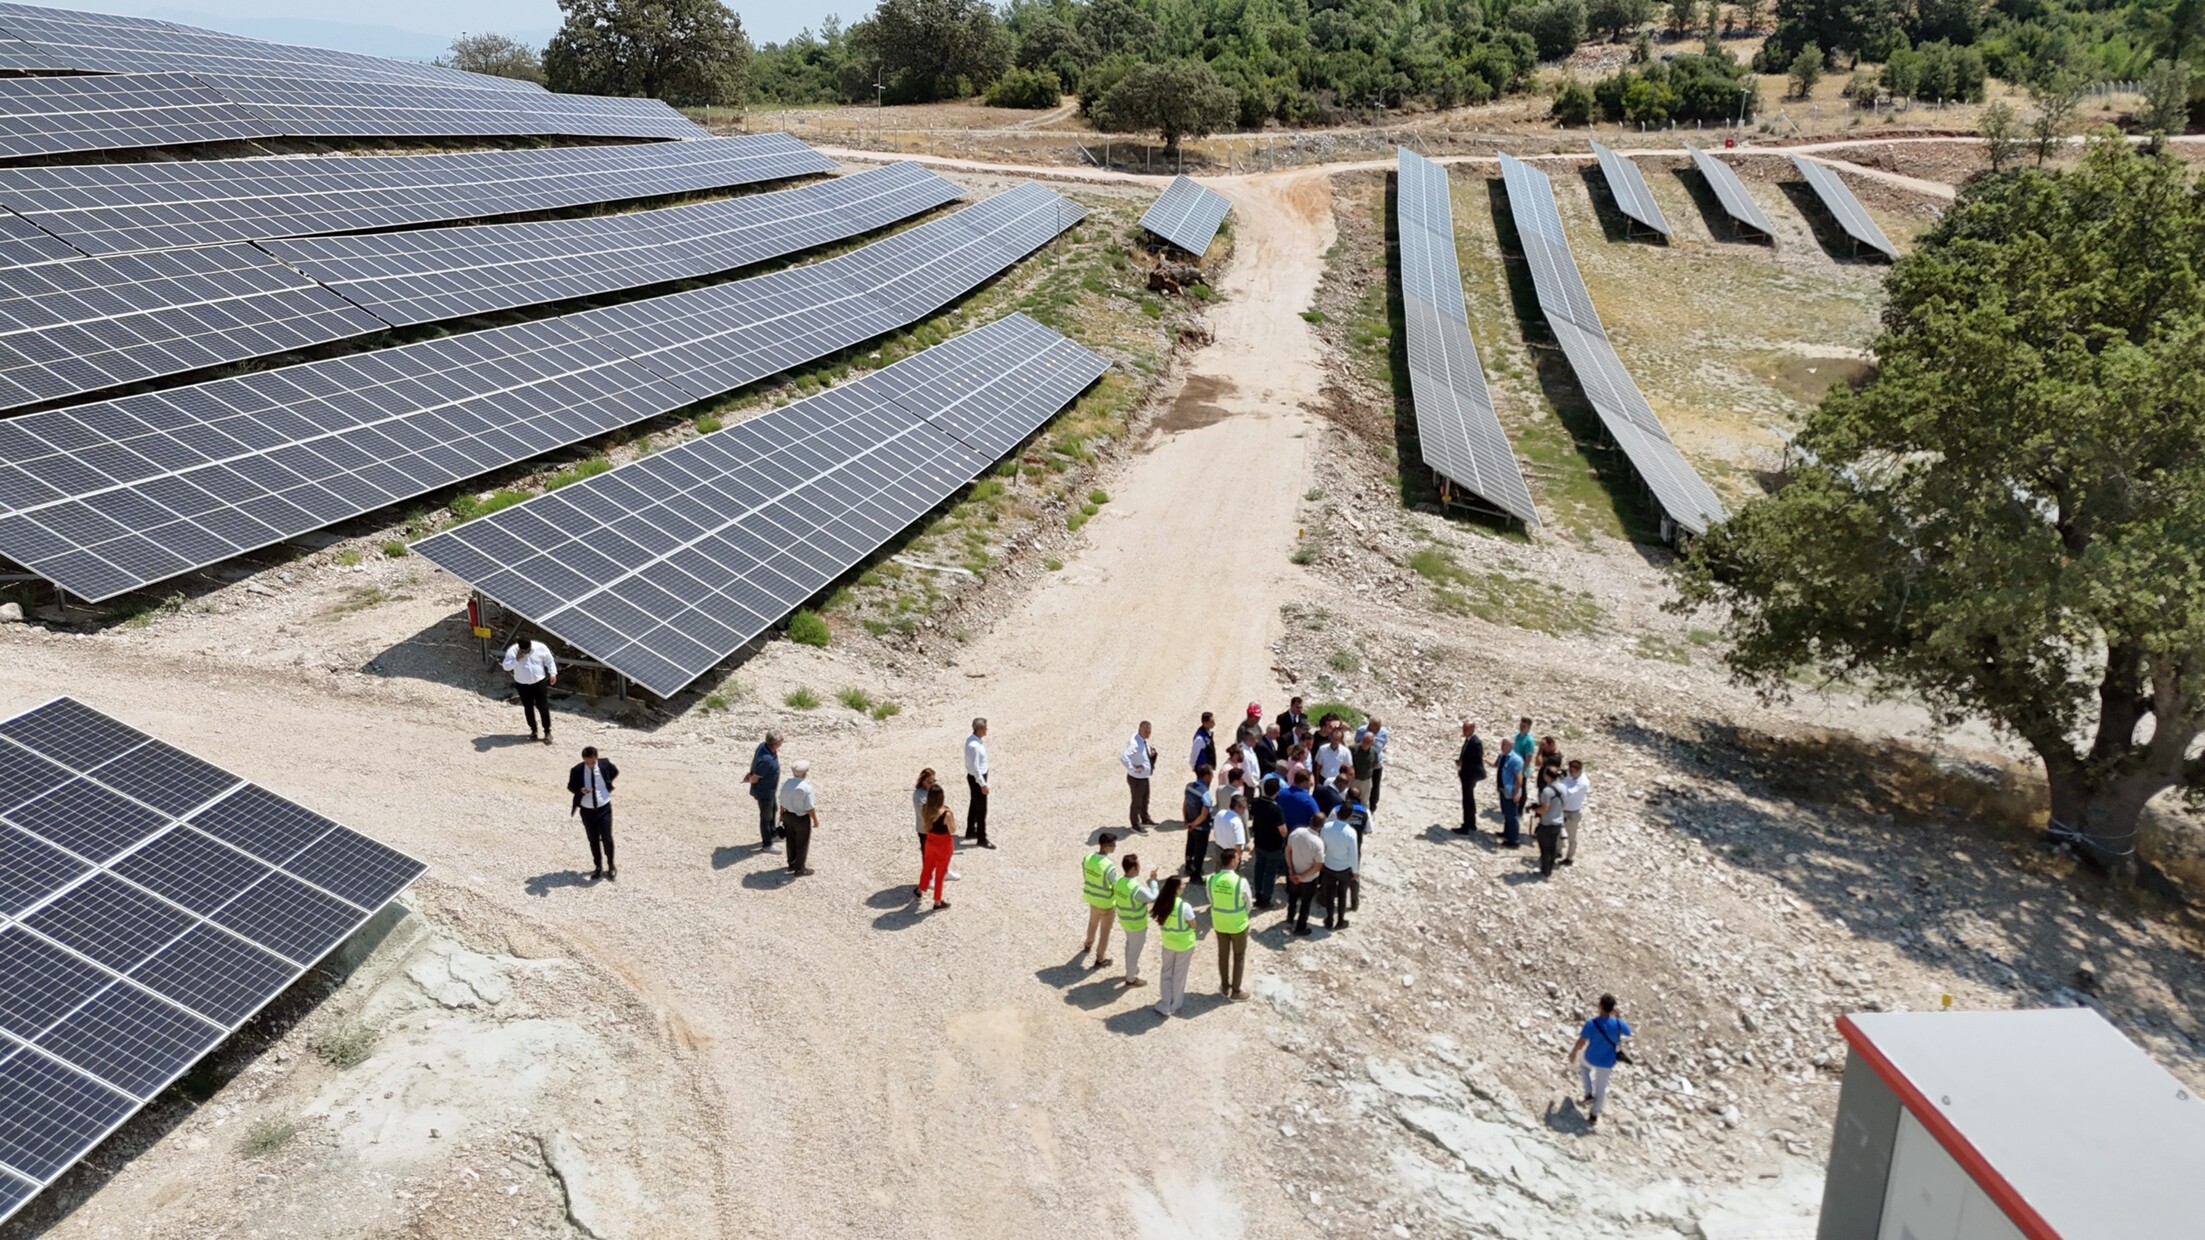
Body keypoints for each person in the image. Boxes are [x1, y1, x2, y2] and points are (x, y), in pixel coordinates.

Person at [1569, 994, 1633, 1127]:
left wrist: (1574, 1052)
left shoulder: (1591, 1024)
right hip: (1607, 1061)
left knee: (1584, 1067)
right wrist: (1618, 1017)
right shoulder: (1617, 1022)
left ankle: (1588, 1093)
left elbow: (1581, 1041)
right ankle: (1594, 1115)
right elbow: (1628, 1032)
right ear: (1612, 1008)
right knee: (1601, 1088)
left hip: (1591, 1057)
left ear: (1600, 1006)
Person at [1207, 847, 1253, 999]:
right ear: (1232, 861)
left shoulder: (1211, 880)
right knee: (1238, 956)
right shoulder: (1241, 882)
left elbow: (1210, 899)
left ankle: (1225, 986)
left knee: (1223, 955)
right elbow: (1248, 903)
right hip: (1238, 924)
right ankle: (1236, 990)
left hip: (1219, 922)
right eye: (1237, 858)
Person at [566, 745, 617, 881]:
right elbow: (570, 786)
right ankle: (598, 867)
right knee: (593, 839)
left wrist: (606, 787)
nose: (590, 765)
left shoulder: (604, 765)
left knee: (607, 838)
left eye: (593, 762)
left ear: (596, 758)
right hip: (587, 810)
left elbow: (614, 772)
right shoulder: (577, 770)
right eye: (587, 762)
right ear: (583, 760)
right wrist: (580, 790)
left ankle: (611, 865)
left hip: (604, 808)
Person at [1151, 877, 1197, 1018]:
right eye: (1181, 885)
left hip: (1168, 943)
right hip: (1184, 944)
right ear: (1176, 888)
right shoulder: (1184, 907)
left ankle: (1165, 1003)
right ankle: (1175, 1004)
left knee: (1166, 973)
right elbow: (1193, 924)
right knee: (1179, 975)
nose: (1183, 887)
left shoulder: (1162, 902)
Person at [1112, 855, 1159, 986]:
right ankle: (1131, 978)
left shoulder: (1119, 882)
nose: (1139, 868)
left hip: (1125, 921)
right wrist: (1153, 881)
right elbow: (1152, 897)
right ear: (1133, 868)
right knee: (1134, 951)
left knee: (1129, 946)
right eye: (1138, 865)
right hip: (1136, 924)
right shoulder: (1135, 888)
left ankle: (1130, 970)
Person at [502, 634, 557, 744]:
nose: (527, 652)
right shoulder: (512, 651)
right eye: (525, 651)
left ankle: (547, 731)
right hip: (522, 684)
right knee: (528, 707)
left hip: (539, 682)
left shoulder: (540, 647)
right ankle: (533, 731)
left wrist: (553, 673)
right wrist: (516, 659)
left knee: (543, 707)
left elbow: (549, 660)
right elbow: (506, 666)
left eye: (529, 650)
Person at [1080, 833, 1122, 965]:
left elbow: (1086, 875)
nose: (1115, 847)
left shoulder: (1087, 859)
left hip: (1092, 897)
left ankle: (1088, 944)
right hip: (1106, 902)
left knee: (1092, 923)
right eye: (1113, 845)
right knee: (1105, 931)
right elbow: (1116, 886)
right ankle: (1100, 958)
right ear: (1106, 846)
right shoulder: (1109, 866)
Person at [1248, 776, 1288, 910]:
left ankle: (1258, 895)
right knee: (1270, 873)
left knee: (1259, 869)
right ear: (1276, 791)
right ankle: (1266, 899)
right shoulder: (1276, 809)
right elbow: (1282, 830)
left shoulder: (1256, 802)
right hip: (1273, 846)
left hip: (1259, 843)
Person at [1318, 804, 1359, 930]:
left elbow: (1321, 845)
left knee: (1329, 895)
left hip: (1329, 865)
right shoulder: (1351, 833)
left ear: (1338, 813)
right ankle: (1340, 920)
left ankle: (1329, 919)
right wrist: (1355, 871)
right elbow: (1353, 854)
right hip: (1344, 869)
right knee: (1342, 895)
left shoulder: (1326, 827)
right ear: (1350, 815)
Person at [1284, 812, 1324, 936]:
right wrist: (1302, 877)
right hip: (1309, 879)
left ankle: (1290, 917)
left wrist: (1291, 870)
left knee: (1292, 897)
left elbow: (1288, 851)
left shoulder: (1297, 832)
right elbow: (1318, 865)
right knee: (1306, 903)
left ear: (1311, 820)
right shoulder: (1318, 843)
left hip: (1294, 873)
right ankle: (1300, 927)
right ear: (1322, 826)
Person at [779, 759, 819, 876]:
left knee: (790, 840)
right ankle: (800, 869)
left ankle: (791, 863)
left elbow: (782, 800)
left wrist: (781, 815)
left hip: (788, 815)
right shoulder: (806, 788)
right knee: (802, 843)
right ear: (805, 773)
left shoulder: (786, 783)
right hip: (801, 819)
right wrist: (815, 820)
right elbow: (810, 808)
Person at [917, 786, 954, 909]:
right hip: (943, 845)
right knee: (940, 873)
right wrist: (951, 814)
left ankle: (920, 889)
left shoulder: (924, 808)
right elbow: (953, 830)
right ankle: (937, 901)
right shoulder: (946, 814)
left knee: (927, 867)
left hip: (930, 842)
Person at [746, 731, 782, 852]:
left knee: (773, 810)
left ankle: (773, 833)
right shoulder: (767, 761)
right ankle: (767, 844)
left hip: (770, 791)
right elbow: (755, 778)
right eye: (781, 740)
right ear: (775, 744)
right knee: (766, 817)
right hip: (764, 793)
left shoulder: (763, 745)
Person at [1121, 722, 1157, 832]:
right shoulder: (1134, 743)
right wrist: (1133, 768)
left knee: (1145, 799)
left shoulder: (1142, 739)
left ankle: (1145, 819)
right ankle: (1135, 824)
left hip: (1144, 777)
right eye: (1146, 732)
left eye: (1149, 732)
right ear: (1140, 729)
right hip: (1137, 779)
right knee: (1137, 802)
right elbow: (1124, 757)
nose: (1148, 734)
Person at [1180, 765, 1215, 879]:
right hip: (1201, 827)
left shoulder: (1189, 787)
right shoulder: (1206, 793)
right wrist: (1194, 824)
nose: (1212, 777)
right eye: (1211, 774)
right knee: (1200, 851)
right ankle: (1196, 875)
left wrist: (1187, 821)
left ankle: (1188, 866)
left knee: (1190, 846)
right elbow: (1204, 814)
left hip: (1191, 824)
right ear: (1206, 776)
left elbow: (1185, 804)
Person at [964, 717, 993, 849]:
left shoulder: (973, 740)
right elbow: (975, 768)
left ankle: (970, 830)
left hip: (975, 777)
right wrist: (983, 784)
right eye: (985, 727)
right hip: (977, 778)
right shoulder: (974, 746)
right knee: (982, 809)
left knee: (974, 803)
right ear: (979, 728)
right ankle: (981, 837)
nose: (986, 730)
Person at [1534, 764, 1565, 877]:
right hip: (1558, 822)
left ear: (1547, 776)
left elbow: (1544, 809)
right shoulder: (1563, 787)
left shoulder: (1547, 791)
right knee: (1552, 848)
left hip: (1547, 823)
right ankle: (1549, 869)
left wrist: (1535, 809)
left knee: (1545, 849)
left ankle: (1545, 870)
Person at [1558, 759, 1591, 866]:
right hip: (1562, 809)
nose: (1570, 773)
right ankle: (1557, 852)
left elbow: (1567, 793)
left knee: (1571, 837)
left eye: (1572, 771)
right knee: (1558, 832)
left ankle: (1569, 857)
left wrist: (1559, 782)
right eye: (1569, 770)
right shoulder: (1571, 775)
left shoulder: (1582, 784)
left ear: (1578, 771)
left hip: (1572, 813)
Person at [1454, 720, 1484, 834]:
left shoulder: (1475, 742)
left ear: (1472, 729)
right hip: (1467, 774)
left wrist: (1463, 764)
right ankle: (1471, 823)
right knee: (1469, 799)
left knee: (1467, 800)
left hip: (1470, 775)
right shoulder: (1469, 741)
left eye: (1466, 729)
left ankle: (1467, 825)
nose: (1464, 731)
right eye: (1463, 729)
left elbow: (1476, 761)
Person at [1210, 791, 1248, 876]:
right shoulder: (1237, 822)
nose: (1244, 810)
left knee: (1219, 873)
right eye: (1244, 808)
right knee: (1232, 876)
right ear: (1238, 807)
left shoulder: (1220, 813)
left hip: (1219, 848)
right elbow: (1239, 844)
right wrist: (1238, 857)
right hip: (1231, 853)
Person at [1356, 716, 1390, 812]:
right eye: (1376, 727)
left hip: (1376, 764)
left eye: (1379, 726)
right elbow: (1357, 743)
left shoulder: (1383, 733)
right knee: (1361, 783)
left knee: (1375, 785)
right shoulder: (1361, 730)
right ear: (1370, 725)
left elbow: (1383, 745)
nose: (1378, 729)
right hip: (1363, 763)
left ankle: (1372, 805)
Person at [1496, 744, 1526, 848]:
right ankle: (1507, 833)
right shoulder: (1502, 756)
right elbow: (1497, 766)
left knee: (1512, 815)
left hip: (1511, 791)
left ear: (1510, 746)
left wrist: (1517, 792)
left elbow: (1519, 777)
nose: (1501, 746)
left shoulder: (1515, 759)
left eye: (1504, 744)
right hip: (1503, 790)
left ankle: (1514, 840)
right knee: (1506, 812)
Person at [1278, 769, 1320, 835]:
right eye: (1310, 783)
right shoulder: (1308, 800)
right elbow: (1318, 818)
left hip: (1282, 832)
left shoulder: (1281, 793)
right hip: (1299, 836)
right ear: (1304, 782)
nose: (1311, 784)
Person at [1349, 729, 1376, 809]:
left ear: (1372, 743)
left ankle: (1364, 817)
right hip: (1354, 779)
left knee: (1364, 801)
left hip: (1366, 781)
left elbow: (1374, 764)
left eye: (1369, 742)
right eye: (1365, 741)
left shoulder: (1374, 751)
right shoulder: (1353, 749)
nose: (1366, 744)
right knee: (1350, 798)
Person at [1190, 712, 1217, 776]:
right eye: (1212, 721)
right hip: (1202, 769)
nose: (1214, 723)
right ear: (1205, 723)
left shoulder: (1208, 733)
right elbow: (1194, 753)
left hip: (1207, 768)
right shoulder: (1200, 738)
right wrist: (1193, 765)